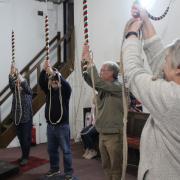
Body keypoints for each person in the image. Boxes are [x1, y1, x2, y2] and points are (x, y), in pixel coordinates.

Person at [122, 3, 180, 180]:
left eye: (166, 60)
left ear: (177, 70)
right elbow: (158, 61)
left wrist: (131, 36)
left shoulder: (173, 99)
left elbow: (133, 73)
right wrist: (145, 21)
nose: (162, 63)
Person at [81, 43, 123, 180]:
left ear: (112, 73)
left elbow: (97, 82)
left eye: (103, 70)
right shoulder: (104, 87)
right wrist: (84, 62)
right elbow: (91, 80)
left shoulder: (118, 87)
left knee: (116, 168)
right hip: (102, 133)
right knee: (105, 165)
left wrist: (91, 63)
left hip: (114, 135)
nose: (101, 72)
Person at [39, 60, 73, 179]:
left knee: (66, 150)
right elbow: (40, 82)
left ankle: (68, 172)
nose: (54, 82)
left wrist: (55, 74)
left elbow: (67, 86)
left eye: (56, 81)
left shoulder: (64, 92)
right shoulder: (48, 92)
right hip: (50, 127)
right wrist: (44, 69)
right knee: (51, 150)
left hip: (62, 126)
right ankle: (54, 169)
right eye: (52, 80)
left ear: (59, 82)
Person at [9, 65, 33, 166]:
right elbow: (11, 86)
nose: (18, 84)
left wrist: (19, 76)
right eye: (17, 82)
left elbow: (27, 87)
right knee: (20, 138)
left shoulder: (27, 91)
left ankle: (26, 157)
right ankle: (23, 155)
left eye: (19, 82)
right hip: (17, 118)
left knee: (25, 138)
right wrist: (11, 74)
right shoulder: (15, 91)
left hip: (26, 118)